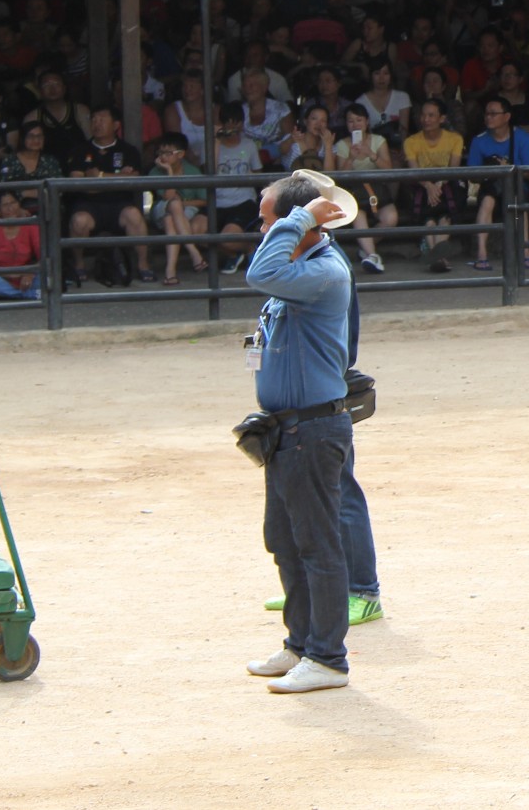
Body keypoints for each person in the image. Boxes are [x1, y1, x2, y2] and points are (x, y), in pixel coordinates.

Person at [242, 172, 357, 694]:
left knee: (318, 544)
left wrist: (296, 219)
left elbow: (259, 271)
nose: (261, 226)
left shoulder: (324, 270)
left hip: (313, 428)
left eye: (269, 216)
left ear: (301, 222)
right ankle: (300, 644)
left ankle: (329, 659)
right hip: (286, 429)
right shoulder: (300, 266)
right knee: (285, 541)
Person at [68, 105, 153, 286]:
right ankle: (79, 263)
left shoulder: (128, 150)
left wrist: (98, 177)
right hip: (88, 205)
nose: (97, 124)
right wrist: (118, 178)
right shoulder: (80, 150)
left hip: (119, 204)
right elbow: (78, 182)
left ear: (115, 125)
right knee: (79, 220)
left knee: (134, 216)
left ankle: (143, 264)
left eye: (102, 119)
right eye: (94, 120)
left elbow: (133, 180)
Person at [464, 96, 529, 272]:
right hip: (491, 187)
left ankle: (525, 251)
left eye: (493, 114)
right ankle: (482, 255)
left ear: (506, 116)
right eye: (486, 114)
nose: (488, 117)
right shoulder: (479, 140)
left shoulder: (522, 138)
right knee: (487, 201)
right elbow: (472, 176)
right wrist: (489, 169)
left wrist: (509, 168)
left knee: (518, 201)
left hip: (515, 186)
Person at [330, 104, 398, 274]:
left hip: (376, 188)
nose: (355, 124)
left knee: (391, 218)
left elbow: (388, 169)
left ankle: (366, 248)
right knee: (357, 214)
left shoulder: (378, 141)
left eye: (359, 120)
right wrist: (351, 158)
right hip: (353, 190)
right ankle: (373, 256)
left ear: (367, 122)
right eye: (350, 121)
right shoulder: (342, 144)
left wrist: (370, 154)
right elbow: (340, 176)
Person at [400, 98, 465, 272]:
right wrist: (429, 186)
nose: (426, 119)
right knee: (428, 219)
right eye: (423, 115)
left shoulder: (455, 139)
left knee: (445, 217)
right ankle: (440, 258)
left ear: (442, 119)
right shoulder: (411, 141)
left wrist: (438, 185)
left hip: (446, 183)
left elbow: (454, 167)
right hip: (421, 184)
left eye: (431, 115)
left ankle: (434, 257)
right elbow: (414, 170)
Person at [145, 133, 210, 284]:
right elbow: (168, 196)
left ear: (181, 154)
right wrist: (169, 171)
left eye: (168, 153)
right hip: (161, 208)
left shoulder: (192, 171)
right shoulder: (155, 171)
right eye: (160, 153)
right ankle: (195, 253)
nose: (163, 157)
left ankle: (170, 272)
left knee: (170, 219)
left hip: (186, 210)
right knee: (173, 204)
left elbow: (204, 200)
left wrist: (182, 205)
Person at [208, 104, 264, 275]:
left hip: (243, 202)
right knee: (196, 232)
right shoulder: (211, 144)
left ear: (241, 124)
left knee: (227, 239)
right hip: (216, 202)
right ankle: (234, 255)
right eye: (228, 123)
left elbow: (258, 174)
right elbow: (209, 171)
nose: (232, 128)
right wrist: (216, 141)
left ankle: (248, 247)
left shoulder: (249, 145)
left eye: (236, 123)